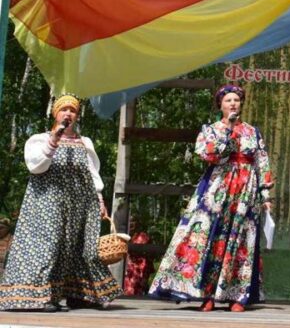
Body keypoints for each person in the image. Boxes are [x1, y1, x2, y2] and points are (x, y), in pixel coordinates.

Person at [149, 84, 273, 312]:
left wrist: (265, 194)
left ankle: (237, 296)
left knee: (241, 240)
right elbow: (209, 154)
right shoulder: (211, 130)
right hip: (218, 188)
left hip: (245, 191)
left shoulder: (253, 131)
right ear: (220, 105)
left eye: (236, 100)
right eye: (228, 100)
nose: (233, 103)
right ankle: (207, 294)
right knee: (210, 238)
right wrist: (229, 130)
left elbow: (261, 161)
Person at [0, 94, 121, 312]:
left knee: (81, 246)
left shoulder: (85, 142)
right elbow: (36, 167)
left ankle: (78, 294)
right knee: (48, 246)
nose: (68, 114)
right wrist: (53, 141)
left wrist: (99, 198)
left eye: (72, 110)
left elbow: (92, 174)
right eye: (64, 109)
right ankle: (38, 297)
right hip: (47, 203)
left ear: (77, 116)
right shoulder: (39, 140)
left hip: (79, 204)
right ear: (55, 114)